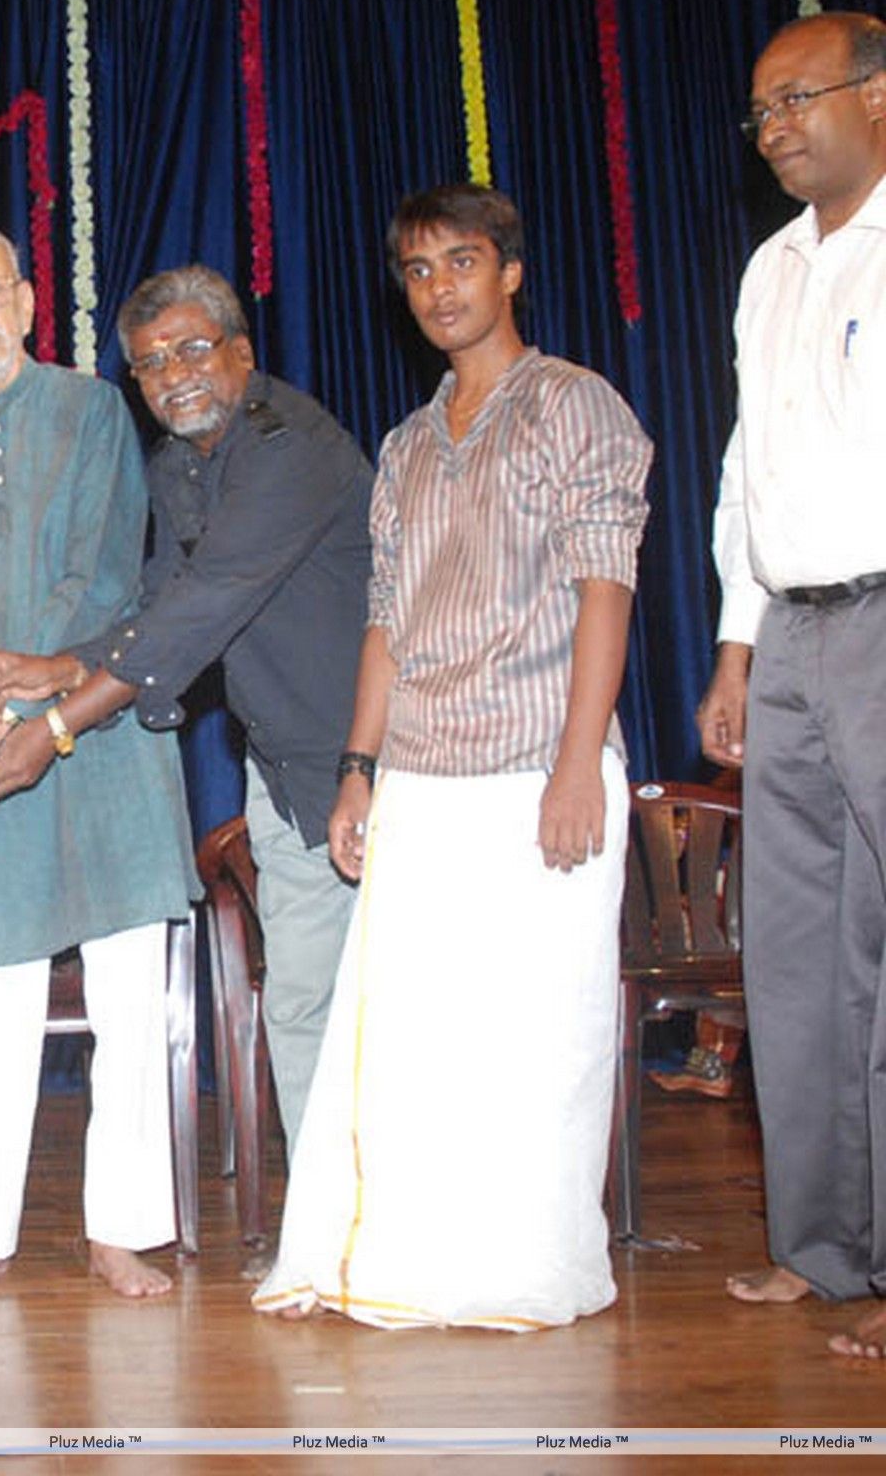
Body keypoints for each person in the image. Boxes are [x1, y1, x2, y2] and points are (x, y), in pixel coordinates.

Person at [255, 184, 651, 1331]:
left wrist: (577, 762)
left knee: (539, 1033)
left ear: (509, 273)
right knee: (417, 1043)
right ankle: (406, 1268)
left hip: (537, 762)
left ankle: (522, 1272)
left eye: (460, 263)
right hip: (418, 775)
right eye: (418, 272)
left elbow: (603, 589)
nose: (438, 289)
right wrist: (356, 767)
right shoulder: (405, 443)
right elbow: (385, 616)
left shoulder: (575, 406)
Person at [0, 264, 370, 1161]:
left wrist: (59, 725)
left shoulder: (288, 446)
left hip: (380, 766)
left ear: (242, 350)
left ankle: (414, 1237)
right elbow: (156, 606)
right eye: (150, 364)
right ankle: (324, 1230)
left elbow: (199, 613)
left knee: (403, 1007)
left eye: (193, 350)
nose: (174, 375)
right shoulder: (177, 465)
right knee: (303, 1004)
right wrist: (57, 664)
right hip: (289, 778)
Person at [0, 224, 200, 1300]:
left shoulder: (91, 407)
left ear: (24, 302)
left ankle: (121, 1229)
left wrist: (35, 678)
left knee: (126, 1002)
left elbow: (111, 573)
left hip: (99, 734)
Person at [696, 12, 886, 1360]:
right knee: (801, 953)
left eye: (797, 99)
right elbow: (745, 469)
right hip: (794, 634)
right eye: (759, 111)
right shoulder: (770, 268)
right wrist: (735, 642)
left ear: (877, 97)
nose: (773, 128)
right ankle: (829, 1252)